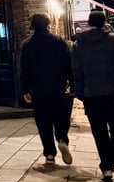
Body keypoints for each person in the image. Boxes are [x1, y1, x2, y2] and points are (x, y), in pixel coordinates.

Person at [71, 9, 114, 182]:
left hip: (91, 92)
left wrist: (79, 92)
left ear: (88, 22)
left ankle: (106, 167)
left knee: (99, 130)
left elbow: (77, 70)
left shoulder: (79, 42)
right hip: (113, 90)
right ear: (104, 22)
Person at [19, 13, 75, 166]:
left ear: (32, 25)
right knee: (60, 117)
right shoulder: (58, 42)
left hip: (38, 89)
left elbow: (24, 69)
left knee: (43, 121)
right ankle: (62, 139)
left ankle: (50, 153)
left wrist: (25, 89)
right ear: (48, 24)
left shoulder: (27, 44)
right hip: (58, 87)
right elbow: (68, 64)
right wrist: (73, 85)